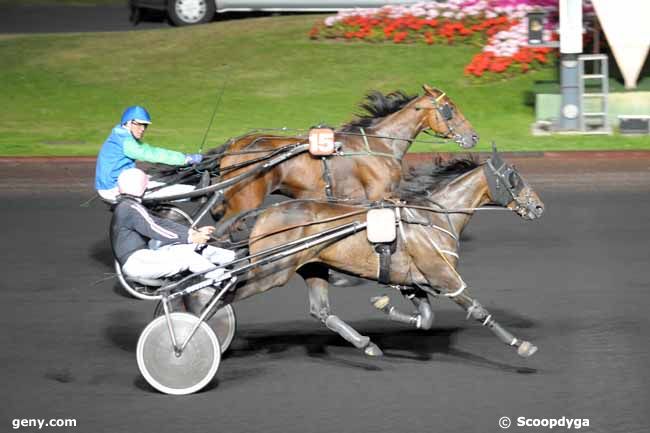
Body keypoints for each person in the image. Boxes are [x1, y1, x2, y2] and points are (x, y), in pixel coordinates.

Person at [111, 168, 234, 281]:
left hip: (143, 257)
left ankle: (233, 258)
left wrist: (192, 233)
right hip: (137, 262)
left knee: (191, 247)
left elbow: (161, 223)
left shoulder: (129, 205)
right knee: (189, 257)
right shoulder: (129, 208)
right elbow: (155, 229)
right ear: (142, 187)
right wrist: (190, 238)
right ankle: (223, 280)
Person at [95, 105, 204, 202]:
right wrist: (185, 159)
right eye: (139, 124)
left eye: (145, 125)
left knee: (156, 179)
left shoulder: (121, 134)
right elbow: (151, 154)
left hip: (114, 183)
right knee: (163, 189)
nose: (142, 129)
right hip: (113, 189)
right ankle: (196, 192)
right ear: (128, 123)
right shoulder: (126, 141)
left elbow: (151, 150)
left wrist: (183, 157)